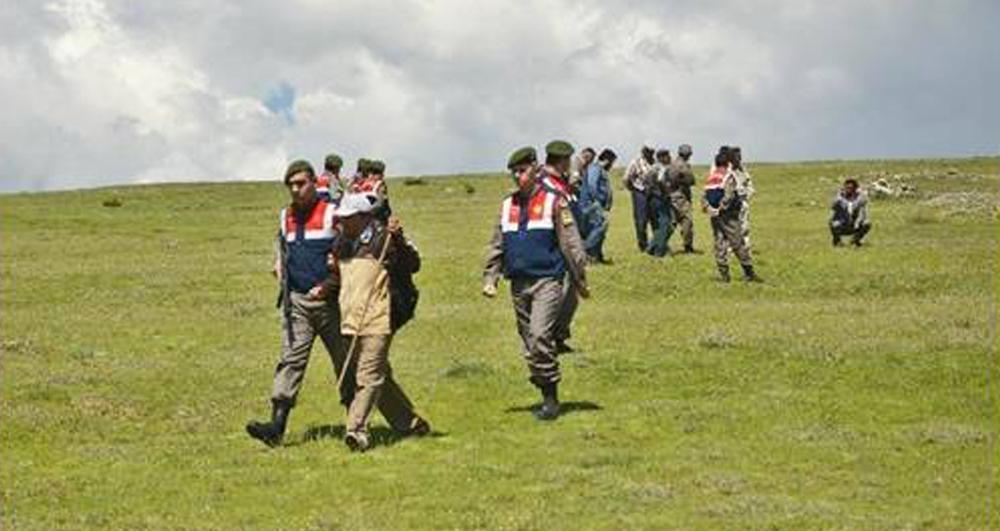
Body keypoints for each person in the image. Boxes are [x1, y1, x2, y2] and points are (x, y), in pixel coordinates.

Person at [246, 160, 351, 448]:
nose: (295, 189)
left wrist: (329, 286)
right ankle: (276, 427)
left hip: (333, 304)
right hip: (297, 302)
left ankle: (356, 425)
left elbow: (348, 255)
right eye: (290, 185)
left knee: (345, 363)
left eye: (301, 183)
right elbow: (282, 244)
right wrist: (279, 262)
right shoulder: (286, 216)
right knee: (290, 361)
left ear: (314, 182)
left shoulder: (333, 212)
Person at [483, 146, 589, 421]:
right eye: (514, 172)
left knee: (541, 335)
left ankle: (550, 398)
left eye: (523, 170)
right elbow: (497, 244)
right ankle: (543, 380)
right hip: (518, 283)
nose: (518, 176)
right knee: (529, 341)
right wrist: (490, 277)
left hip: (547, 280)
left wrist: (579, 278)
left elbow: (571, 242)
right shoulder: (508, 205)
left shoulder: (555, 201)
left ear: (536, 168)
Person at [332, 193, 430, 451]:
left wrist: (397, 238)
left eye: (348, 217)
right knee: (380, 377)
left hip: (377, 318)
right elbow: (337, 278)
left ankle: (356, 431)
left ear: (363, 217)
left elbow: (413, 264)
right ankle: (410, 423)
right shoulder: (341, 243)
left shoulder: (384, 239)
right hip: (350, 320)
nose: (342, 221)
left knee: (368, 376)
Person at [538, 141, 583, 354]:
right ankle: (549, 338)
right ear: (562, 161)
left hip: (569, 244)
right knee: (560, 295)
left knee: (571, 296)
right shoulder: (547, 185)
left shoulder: (561, 182)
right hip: (558, 249)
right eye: (568, 161)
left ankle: (559, 335)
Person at [703, 153, 762, 283]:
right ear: (727, 163)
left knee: (719, 243)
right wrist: (722, 208)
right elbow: (729, 195)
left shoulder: (711, 177)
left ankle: (724, 274)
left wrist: (711, 210)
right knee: (738, 243)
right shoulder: (727, 177)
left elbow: (704, 196)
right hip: (729, 216)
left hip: (715, 216)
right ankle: (749, 272)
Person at [578, 148, 616, 263]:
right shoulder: (595, 168)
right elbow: (592, 185)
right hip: (593, 204)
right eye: (612, 162)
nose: (612, 166)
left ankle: (597, 257)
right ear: (607, 160)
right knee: (601, 226)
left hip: (595, 204)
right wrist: (598, 200)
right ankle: (585, 250)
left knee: (596, 230)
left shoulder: (598, 169)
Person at [622, 146, 656, 252]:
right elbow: (626, 178)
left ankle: (655, 244)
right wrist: (634, 190)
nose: (650, 154)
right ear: (643, 152)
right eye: (648, 151)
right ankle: (643, 245)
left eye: (652, 152)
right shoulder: (635, 162)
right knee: (641, 221)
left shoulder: (655, 163)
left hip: (654, 194)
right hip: (640, 194)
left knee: (655, 220)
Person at [667, 144, 697, 253]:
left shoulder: (671, 164)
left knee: (671, 222)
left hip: (670, 196)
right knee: (687, 222)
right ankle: (688, 246)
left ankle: (659, 243)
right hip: (681, 197)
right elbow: (692, 180)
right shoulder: (683, 165)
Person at [646, 149, 674, 257]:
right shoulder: (661, 168)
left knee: (659, 226)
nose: (670, 158)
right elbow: (660, 181)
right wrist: (666, 191)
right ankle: (659, 251)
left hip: (652, 199)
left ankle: (651, 247)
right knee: (664, 225)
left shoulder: (652, 168)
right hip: (660, 198)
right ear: (662, 158)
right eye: (668, 156)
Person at [829, 178, 872, 246]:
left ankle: (855, 240)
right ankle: (837, 241)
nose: (848, 189)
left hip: (855, 224)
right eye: (847, 187)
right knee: (834, 224)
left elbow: (862, 213)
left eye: (851, 188)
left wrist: (858, 222)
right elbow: (832, 211)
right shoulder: (839, 198)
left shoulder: (860, 198)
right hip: (843, 224)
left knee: (867, 223)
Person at [729, 147, 755, 248]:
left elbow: (750, 185)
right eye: (737, 156)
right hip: (730, 203)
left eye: (739, 156)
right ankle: (730, 248)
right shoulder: (727, 170)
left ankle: (745, 247)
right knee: (732, 226)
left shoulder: (742, 169)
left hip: (742, 202)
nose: (739, 158)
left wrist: (747, 195)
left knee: (744, 226)